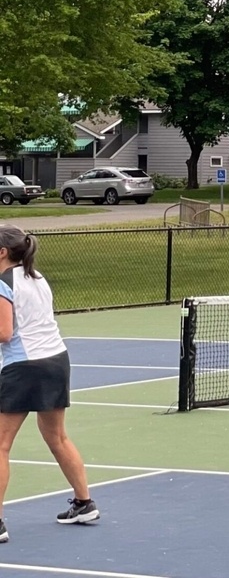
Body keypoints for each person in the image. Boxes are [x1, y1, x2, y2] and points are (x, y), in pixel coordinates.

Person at [0, 225, 98, 542]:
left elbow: (4, 333)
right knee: (57, 436)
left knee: (1, 445)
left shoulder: (3, 283)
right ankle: (84, 503)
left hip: (24, 366)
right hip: (56, 360)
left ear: (2, 252)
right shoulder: (37, 278)